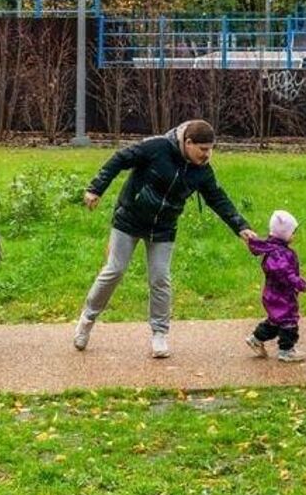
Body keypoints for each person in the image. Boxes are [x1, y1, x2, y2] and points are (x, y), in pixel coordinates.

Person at [75, 119, 255, 358]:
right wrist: (96, 188)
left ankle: (159, 334)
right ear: (188, 142)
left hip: (163, 228)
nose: (207, 154)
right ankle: (87, 320)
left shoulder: (202, 171)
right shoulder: (157, 147)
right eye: (202, 149)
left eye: (211, 149)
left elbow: (218, 199)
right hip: (129, 219)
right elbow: (119, 159)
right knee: (114, 270)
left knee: (160, 279)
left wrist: (241, 227)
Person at [245, 209, 306, 363]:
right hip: (282, 295)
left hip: (272, 293)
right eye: (293, 232)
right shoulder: (280, 254)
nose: (294, 235)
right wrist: (301, 284)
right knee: (289, 321)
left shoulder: (273, 249)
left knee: (275, 320)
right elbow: (287, 274)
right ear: (284, 233)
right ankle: (286, 350)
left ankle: (256, 338)